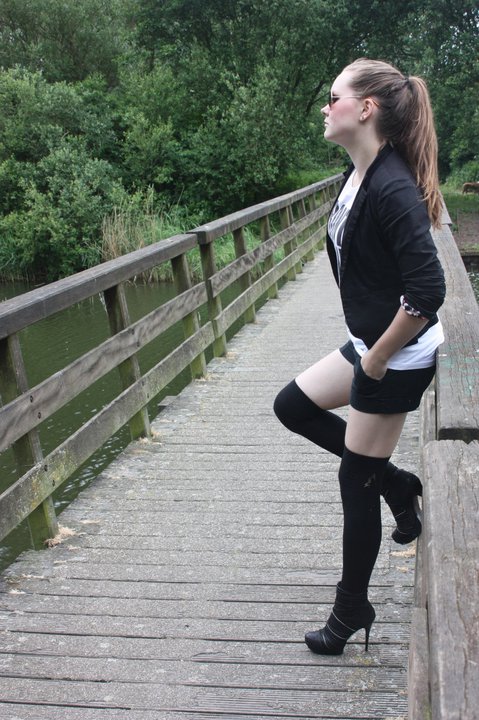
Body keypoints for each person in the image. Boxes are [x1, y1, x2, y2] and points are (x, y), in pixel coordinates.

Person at [273, 58, 446, 655]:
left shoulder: (392, 186)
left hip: (394, 358)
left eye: (334, 97)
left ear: (365, 108)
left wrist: (376, 360)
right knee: (292, 406)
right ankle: (398, 485)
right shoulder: (359, 173)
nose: (326, 108)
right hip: (370, 344)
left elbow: (428, 291)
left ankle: (350, 611)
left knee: (354, 480)